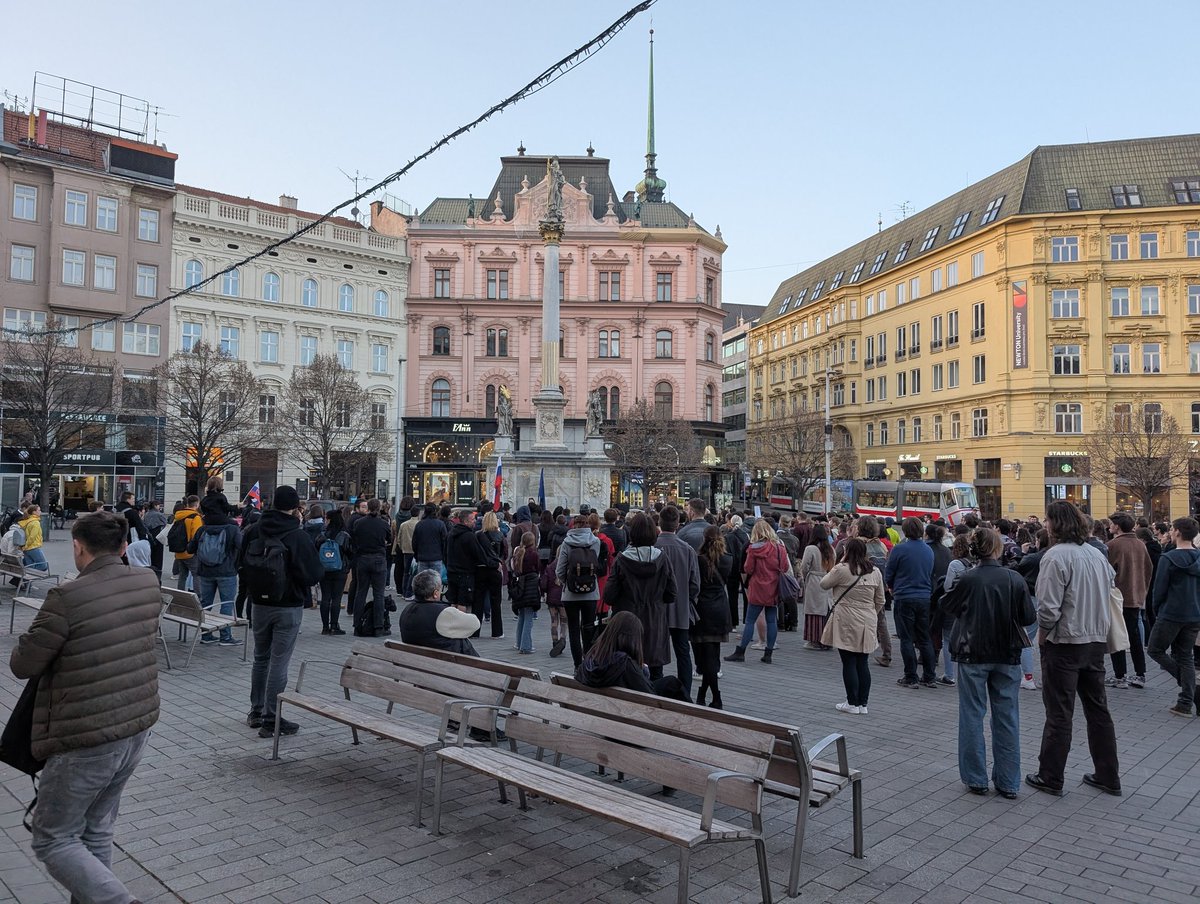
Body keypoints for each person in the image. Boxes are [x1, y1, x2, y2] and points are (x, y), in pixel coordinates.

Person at [10, 511, 161, 904]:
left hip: (85, 733)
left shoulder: (67, 597)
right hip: (135, 723)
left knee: (54, 838)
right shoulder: (147, 581)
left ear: (77, 548)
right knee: (96, 828)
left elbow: (23, 664)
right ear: (124, 546)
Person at [1027, 501, 1122, 797]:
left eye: (1047, 520)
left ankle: (1051, 775)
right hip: (1094, 640)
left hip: (1065, 641)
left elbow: (1048, 606)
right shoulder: (1096, 554)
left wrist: (1043, 633)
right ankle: (1109, 775)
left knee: (1059, 712)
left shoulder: (1055, 557)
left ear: (1055, 524)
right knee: (1098, 710)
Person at [940, 529, 1036, 799]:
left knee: (972, 714)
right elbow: (1028, 617)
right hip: (1007, 653)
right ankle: (1008, 781)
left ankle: (975, 778)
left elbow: (947, 605)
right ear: (997, 549)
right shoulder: (1013, 578)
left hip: (972, 651)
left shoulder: (968, 578)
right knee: (1007, 717)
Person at [240, 486, 324, 739]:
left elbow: (240, 562)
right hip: (287, 605)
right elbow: (312, 574)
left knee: (260, 657)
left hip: (258, 603)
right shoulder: (296, 535)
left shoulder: (254, 529)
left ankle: (256, 710)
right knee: (280, 660)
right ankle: (271, 716)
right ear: (295, 507)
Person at [603, 512, 676, 678]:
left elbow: (609, 596)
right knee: (656, 675)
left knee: (626, 674)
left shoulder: (621, 560)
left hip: (626, 625)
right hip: (655, 622)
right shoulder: (662, 559)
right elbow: (672, 593)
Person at [820, 537, 886, 714]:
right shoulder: (875, 572)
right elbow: (881, 599)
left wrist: (838, 564)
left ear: (847, 551)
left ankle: (852, 702)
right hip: (868, 619)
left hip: (846, 618)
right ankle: (863, 704)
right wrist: (870, 610)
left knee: (848, 661)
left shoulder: (842, 570)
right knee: (862, 662)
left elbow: (823, 584)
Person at [1146, 516, 1200, 716]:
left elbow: (1159, 590)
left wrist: (1157, 609)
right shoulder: (1198, 557)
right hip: (1194, 613)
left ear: (1177, 532)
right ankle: (1186, 700)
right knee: (1186, 655)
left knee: (1155, 650)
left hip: (1171, 612)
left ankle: (1192, 692)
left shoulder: (1168, 558)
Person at [575, 611, 687, 700]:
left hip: (606, 708)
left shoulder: (591, 657)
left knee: (669, 683)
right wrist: (643, 671)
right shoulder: (624, 663)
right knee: (672, 684)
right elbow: (649, 695)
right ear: (631, 640)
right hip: (632, 713)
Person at [725, 519, 788, 664]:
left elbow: (748, 568)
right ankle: (768, 653)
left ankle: (740, 651)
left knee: (750, 620)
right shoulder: (779, 548)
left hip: (757, 586)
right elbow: (784, 567)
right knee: (772, 620)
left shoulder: (753, 548)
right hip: (774, 587)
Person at [884, 517, 937, 689]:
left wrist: (891, 587)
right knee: (924, 637)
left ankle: (911, 676)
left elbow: (889, 573)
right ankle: (929, 676)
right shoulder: (928, 550)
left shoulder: (900, 549)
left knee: (906, 637)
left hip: (904, 595)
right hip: (924, 596)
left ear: (905, 531)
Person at [654, 505, 700, 695]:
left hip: (657, 610)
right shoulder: (687, 550)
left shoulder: (653, 548)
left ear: (659, 523)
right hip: (680, 609)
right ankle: (685, 692)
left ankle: (655, 688)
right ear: (678, 524)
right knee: (683, 653)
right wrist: (688, 599)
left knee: (655, 652)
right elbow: (695, 583)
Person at [187, 495, 244, 646]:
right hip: (226, 571)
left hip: (205, 572)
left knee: (206, 603)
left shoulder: (202, 528)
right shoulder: (232, 528)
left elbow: (190, 548)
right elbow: (241, 547)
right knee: (226, 603)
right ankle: (225, 636)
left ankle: (206, 635)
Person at [1105, 512, 1153, 689]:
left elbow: (1107, 573)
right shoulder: (1141, 544)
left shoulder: (1112, 545)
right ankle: (1140, 674)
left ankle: (1120, 675)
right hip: (1136, 596)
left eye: (1111, 523)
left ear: (1117, 526)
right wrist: (1143, 590)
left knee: (1116, 635)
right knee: (1134, 637)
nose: (1109, 526)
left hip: (1118, 597)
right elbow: (1148, 569)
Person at [398, 568, 481, 655]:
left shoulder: (406, 611)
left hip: (417, 661)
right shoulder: (442, 613)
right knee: (461, 640)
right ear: (435, 593)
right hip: (443, 664)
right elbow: (475, 623)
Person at [694, 526, 732, 708]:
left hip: (702, 608)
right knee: (712, 654)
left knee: (705, 656)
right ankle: (707, 693)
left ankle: (714, 696)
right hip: (720, 607)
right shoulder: (727, 559)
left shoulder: (699, 559)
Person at [350, 498, 392, 637]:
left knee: (360, 592)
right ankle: (378, 626)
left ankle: (357, 625)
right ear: (379, 508)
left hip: (362, 558)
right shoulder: (383, 524)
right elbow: (389, 540)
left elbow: (354, 539)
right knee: (379, 594)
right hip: (379, 559)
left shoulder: (359, 523)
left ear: (367, 507)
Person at [800, 524, 835, 650]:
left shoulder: (810, 548)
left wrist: (804, 577)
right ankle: (826, 640)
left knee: (813, 611)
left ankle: (814, 640)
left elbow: (804, 567)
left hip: (814, 581)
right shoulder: (831, 549)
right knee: (826, 610)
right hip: (828, 579)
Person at [317, 509, 350, 635]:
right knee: (337, 598)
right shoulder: (344, 535)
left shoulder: (322, 535)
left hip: (324, 570)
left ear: (329, 520)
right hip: (339, 570)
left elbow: (316, 548)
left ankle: (325, 627)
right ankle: (334, 626)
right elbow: (351, 551)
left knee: (325, 597)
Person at [476, 511, 508, 639]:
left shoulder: (478, 536)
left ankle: (475, 631)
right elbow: (504, 553)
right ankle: (497, 632)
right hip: (495, 569)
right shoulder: (500, 535)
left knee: (478, 601)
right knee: (496, 602)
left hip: (481, 569)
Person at [445, 509, 483, 616]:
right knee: (462, 601)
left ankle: (451, 623)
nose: (474, 521)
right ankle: (460, 624)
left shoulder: (451, 533)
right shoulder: (469, 536)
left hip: (451, 570)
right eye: (472, 519)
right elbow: (478, 554)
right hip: (465, 572)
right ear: (465, 521)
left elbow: (445, 552)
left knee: (453, 600)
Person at [510, 532, 542, 654]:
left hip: (520, 586)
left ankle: (519, 643)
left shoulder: (518, 553)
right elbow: (538, 568)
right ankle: (526, 646)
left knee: (522, 616)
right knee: (529, 618)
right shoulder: (533, 554)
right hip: (530, 587)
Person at [170, 496, 203, 591]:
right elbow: (196, 536)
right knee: (196, 575)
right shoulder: (195, 517)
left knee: (182, 576)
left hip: (179, 552)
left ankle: (180, 597)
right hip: (190, 552)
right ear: (197, 504)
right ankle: (197, 597)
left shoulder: (178, 516)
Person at [723, 514, 750, 629]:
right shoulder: (746, 536)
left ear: (731, 523)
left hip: (732, 568)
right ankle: (746, 621)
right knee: (746, 595)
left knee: (732, 595)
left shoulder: (727, 536)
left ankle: (733, 623)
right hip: (744, 567)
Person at [395, 499, 419, 600]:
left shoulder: (398, 516)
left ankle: (401, 590)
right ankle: (409, 591)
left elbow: (398, 537)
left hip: (403, 548)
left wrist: (401, 546)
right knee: (412, 571)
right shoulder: (417, 522)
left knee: (401, 569)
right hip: (413, 549)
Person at [18, 504, 48, 573]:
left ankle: (27, 580)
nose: (40, 512)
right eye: (39, 510)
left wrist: (25, 547)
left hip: (27, 549)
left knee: (30, 566)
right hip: (33, 547)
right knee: (43, 566)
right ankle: (29, 573)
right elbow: (32, 537)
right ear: (34, 512)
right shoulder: (35, 523)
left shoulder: (29, 521)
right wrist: (26, 546)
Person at [142, 499, 168, 581]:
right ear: (156, 506)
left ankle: (151, 569)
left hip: (149, 535)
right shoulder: (159, 515)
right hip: (158, 536)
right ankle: (158, 570)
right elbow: (166, 524)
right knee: (158, 555)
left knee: (151, 554)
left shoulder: (146, 514)